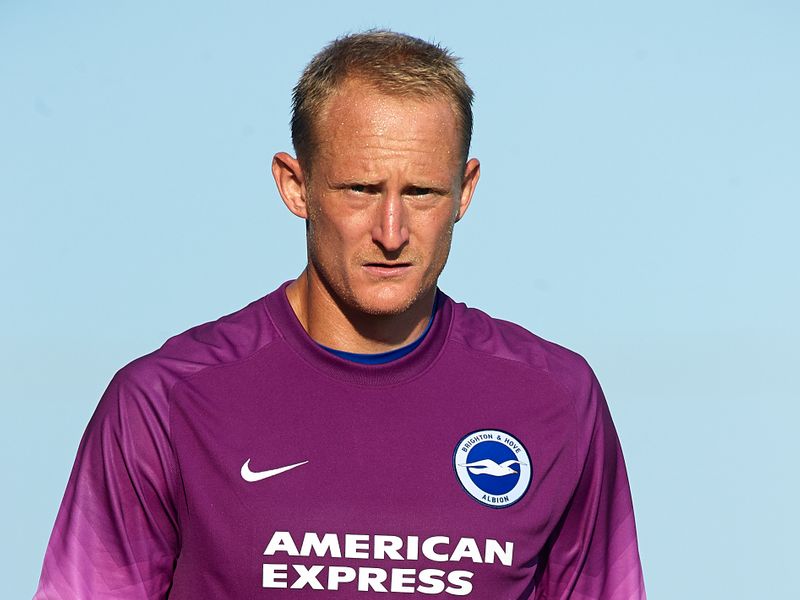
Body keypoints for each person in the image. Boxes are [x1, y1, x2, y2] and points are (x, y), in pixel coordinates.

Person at [34, 30, 646, 599]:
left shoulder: (555, 399)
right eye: (359, 189)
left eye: (421, 193)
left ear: (465, 191)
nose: (391, 231)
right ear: (294, 185)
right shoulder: (166, 401)